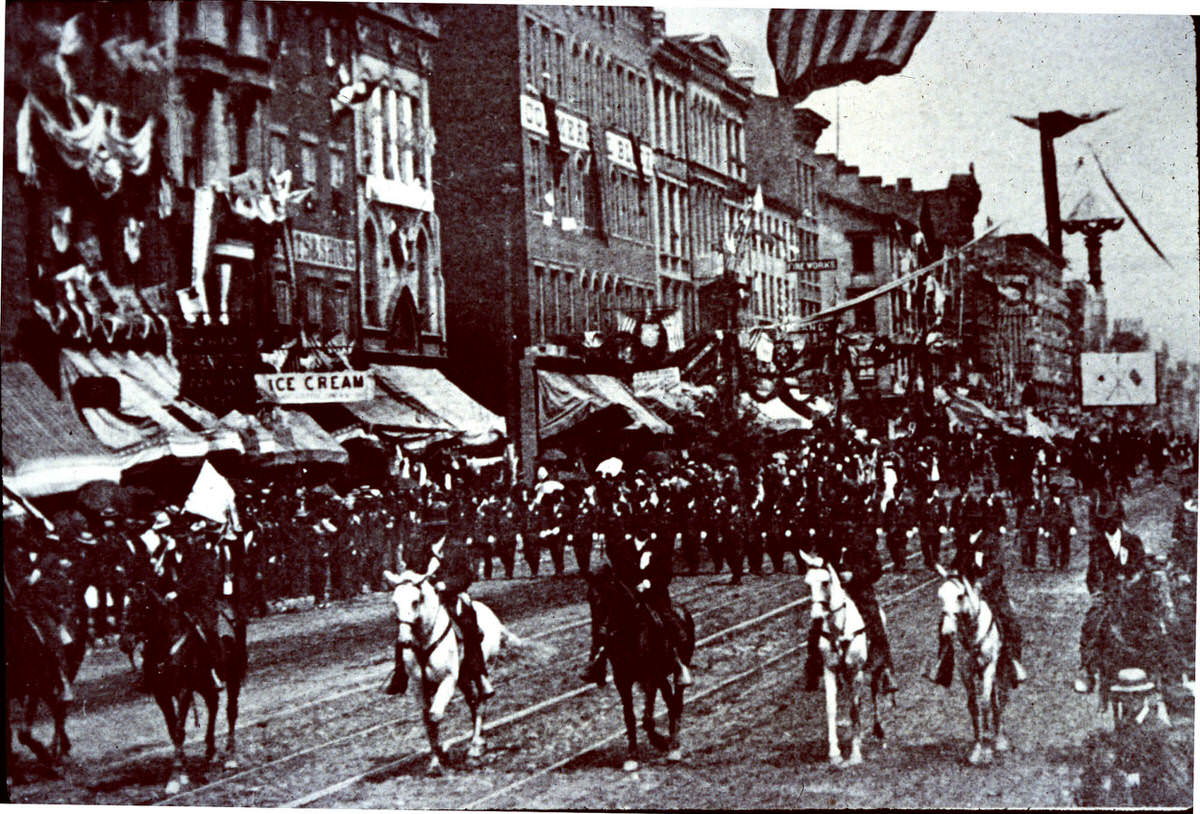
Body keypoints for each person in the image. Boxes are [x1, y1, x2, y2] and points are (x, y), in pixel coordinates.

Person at [383, 502, 494, 699]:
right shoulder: (421, 548)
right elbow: (411, 569)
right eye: (430, 528)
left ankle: (479, 674)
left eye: (438, 528)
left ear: (444, 528)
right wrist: (408, 580)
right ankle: (400, 674)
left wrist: (447, 585)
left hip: (451, 595)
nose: (434, 532)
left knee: (468, 621)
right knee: (404, 627)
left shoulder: (456, 547)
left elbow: (467, 575)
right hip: (425, 598)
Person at [803, 518, 898, 694]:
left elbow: (876, 569)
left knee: (875, 623)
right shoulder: (829, 542)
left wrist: (854, 576)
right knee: (816, 625)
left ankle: (886, 670)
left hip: (860, 591)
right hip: (834, 595)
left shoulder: (864, 541)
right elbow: (822, 564)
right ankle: (813, 667)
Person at [1076, 496, 1147, 693]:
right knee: (1091, 622)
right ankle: (1087, 669)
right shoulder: (1096, 543)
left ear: (1119, 520)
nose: (1109, 524)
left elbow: (1141, 567)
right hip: (1108, 595)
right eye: (1105, 521)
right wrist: (1097, 593)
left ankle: (1164, 670)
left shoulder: (1132, 540)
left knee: (1153, 622)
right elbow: (1092, 575)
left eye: (1113, 519)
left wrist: (1132, 583)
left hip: (1133, 593)